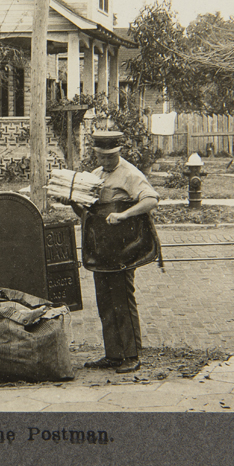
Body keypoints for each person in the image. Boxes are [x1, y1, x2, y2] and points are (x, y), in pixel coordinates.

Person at [76, 131, 160, 374]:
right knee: (104, 300)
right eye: (101, 156)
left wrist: (124, 214)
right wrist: (72, 201)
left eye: (110, 156)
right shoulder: (94, 176)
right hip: (101, 247)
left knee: (122, 299)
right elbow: (85, 214)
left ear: (118, 152)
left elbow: (151, 200)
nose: (105, 161)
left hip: (123, 247)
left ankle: (131, 355)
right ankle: (113, 354)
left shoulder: (130, 174)